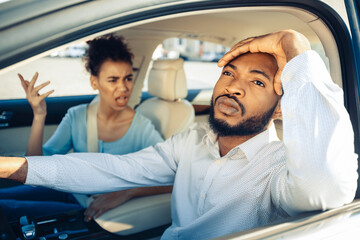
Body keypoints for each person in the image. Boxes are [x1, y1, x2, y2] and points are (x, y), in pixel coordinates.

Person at [0, 29, 358, 239]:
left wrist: (295, 46)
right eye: (229, 73)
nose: (234, 87)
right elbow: (112, 169)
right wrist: (8, 166)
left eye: (257, 81)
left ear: (280, 107)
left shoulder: (279, 171)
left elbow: (326, 184)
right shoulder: (191, 140)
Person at [0, 34, 171, 222]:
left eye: (128, 78)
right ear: (94, 82)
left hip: (89, 209)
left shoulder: (142, 127)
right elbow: (36, 165)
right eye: (113, 80)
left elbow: (171, 177)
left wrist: (127, 193)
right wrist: (39, 115)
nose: (123, 87)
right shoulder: (77, 116)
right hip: (67, 189)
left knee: (7, 207)